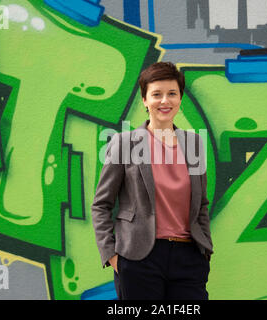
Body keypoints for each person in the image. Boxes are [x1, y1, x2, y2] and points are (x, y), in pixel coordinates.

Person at [91, 61, 213, 300]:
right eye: (156, 94)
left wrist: (205, 250)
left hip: (188, 258)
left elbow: (201, 205)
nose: (164, 101)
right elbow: (101, 204)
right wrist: (112, 256)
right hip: (138, 258)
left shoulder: (194, 144)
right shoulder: (124, 143)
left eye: (172, 94)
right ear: (145, 100)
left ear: (180, 99)